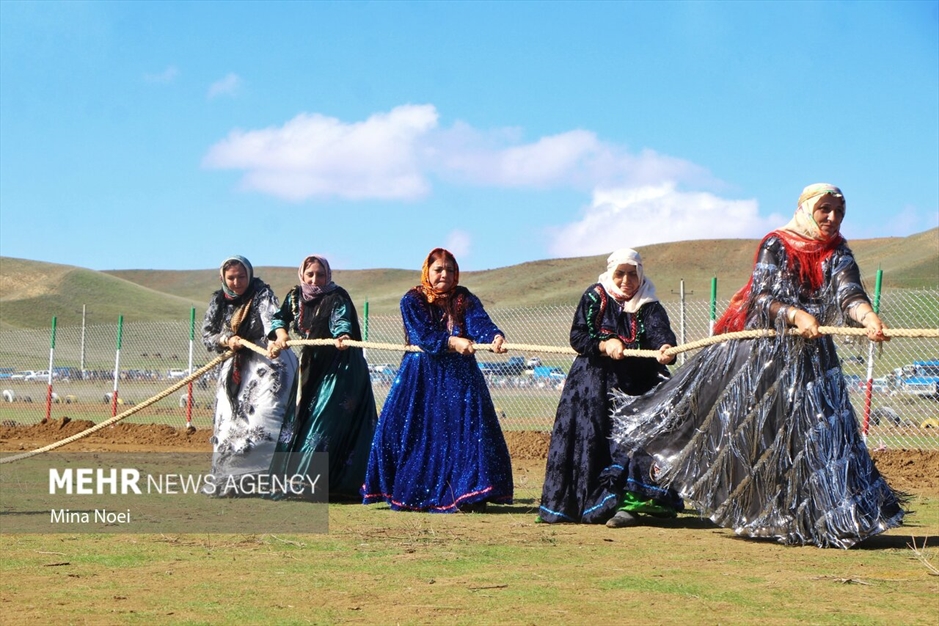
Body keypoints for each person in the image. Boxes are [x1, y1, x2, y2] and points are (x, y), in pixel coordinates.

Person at [611, 184, 903, 548]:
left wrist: (869, 318)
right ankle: (764, 516)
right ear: (807, 209)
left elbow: (848, 292)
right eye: (825, 209)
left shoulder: (838, 251)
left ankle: (832, 518)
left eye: (839, 212)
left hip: (812, 358)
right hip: (764, 356)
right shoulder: (776, 244)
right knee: (761, 435)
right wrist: (795, 314)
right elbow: (762, 298)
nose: (832, 218)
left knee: (821, 434)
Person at [362, 248, 514, 512]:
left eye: (450, 269)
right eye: (439, 269)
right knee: (411, 431)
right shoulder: (411, 300)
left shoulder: (464, 298)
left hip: (460, 375)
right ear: (427, 271)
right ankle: (413, 490)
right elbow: (423, 335)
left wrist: (495, 338)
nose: (445, 274)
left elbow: (480, 324)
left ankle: (468, 492)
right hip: (421, 376)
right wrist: (452, 341)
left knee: (469, 430)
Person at [538, 249, 682, 526]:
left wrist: (666, 349)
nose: (626, 280)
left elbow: (660, 333)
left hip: (639, 384)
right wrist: (605, 344)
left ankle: (639, 503)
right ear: (611, 273)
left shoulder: (648, 303)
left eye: (632, 273)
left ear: (640, 274)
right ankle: (601, 502)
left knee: (639, 438)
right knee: (596, 440)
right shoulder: (595, 296)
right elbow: (578, 336)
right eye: (620, 273)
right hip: (594, 386)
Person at [266, 254, 378, 501]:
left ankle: (309, 483)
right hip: (311, 365)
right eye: (310, 274)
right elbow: (279, 318)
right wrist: (281, 334)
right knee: (300, 420)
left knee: (322, 421)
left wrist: (343, 336)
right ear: (302, 275)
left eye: (321, 274)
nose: (316, 279)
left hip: (341, 366)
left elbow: (341, 320)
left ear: (329, 275)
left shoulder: (337, 296)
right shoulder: (295, 296)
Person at [201, 255, 298, 496]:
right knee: (229, 422)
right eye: (231, 277)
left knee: (264, 416)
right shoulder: (218, 301)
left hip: (267, 360)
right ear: (223, 278)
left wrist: (279, 337)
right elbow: (207, 336)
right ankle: (230, 479)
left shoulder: (262, 293)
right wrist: (226, 339)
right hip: (234, 365)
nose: (236, 282)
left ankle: (263, 479)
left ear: (249, 274)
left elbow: (272, 319)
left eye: (241, 276)